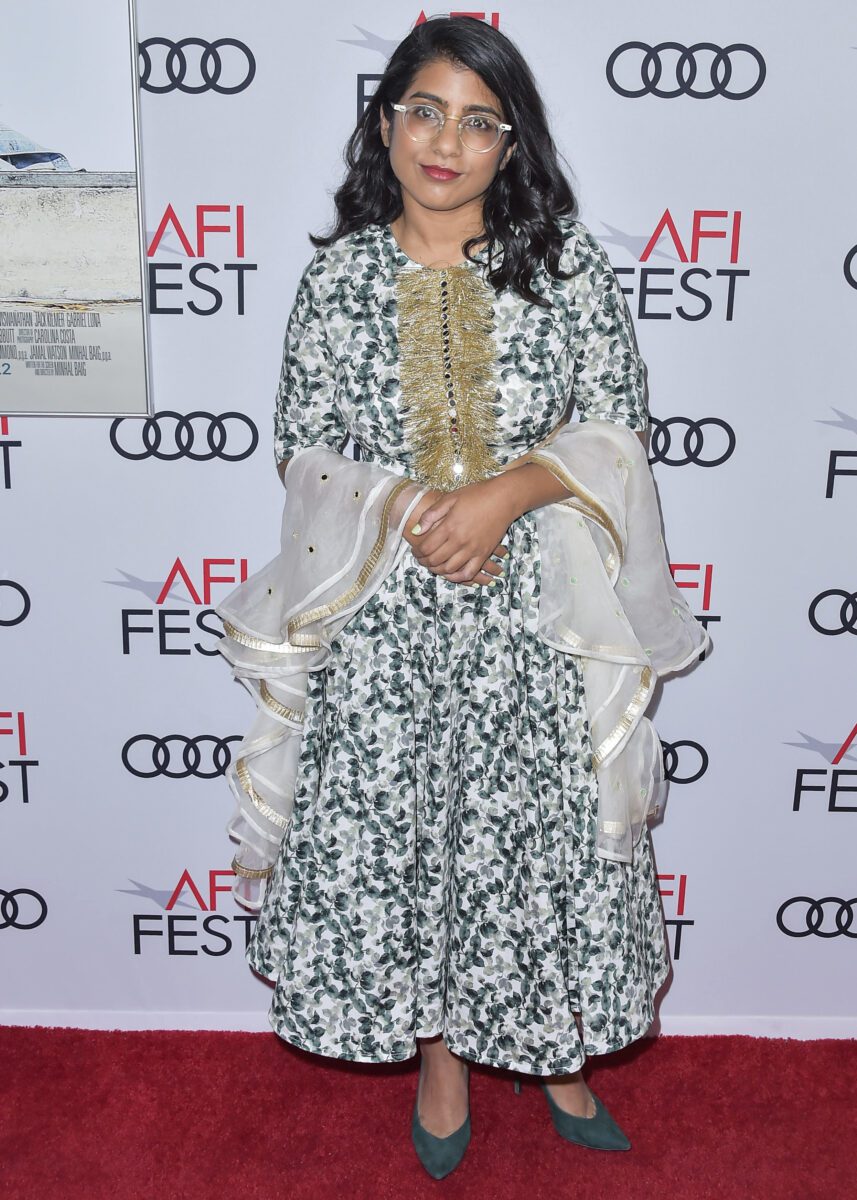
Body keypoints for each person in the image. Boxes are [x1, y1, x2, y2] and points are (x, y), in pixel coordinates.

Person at [214, 15, 708, 1180]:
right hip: (384, 618)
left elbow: (615, 431)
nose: (446, 141)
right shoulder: (335, 281)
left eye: (478, 121)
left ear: (507, 144)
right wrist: (406, 510)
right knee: (417, 837)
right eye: (424, 110)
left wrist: (504, 496)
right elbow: (304, 449)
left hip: (536, 616)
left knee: (533, 843)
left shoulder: (563, 264)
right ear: (383, 121)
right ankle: (441, 1055)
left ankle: (549, 1045)